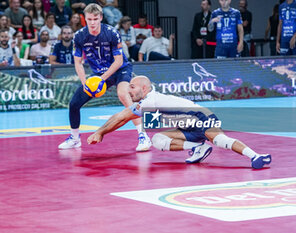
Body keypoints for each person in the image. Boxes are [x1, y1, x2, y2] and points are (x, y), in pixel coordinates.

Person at [87, 75, 272, 168]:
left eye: (132, 87)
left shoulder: (149, 101)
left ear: (144, 88)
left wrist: (101, 132)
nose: (129, 92)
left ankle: (255, 156)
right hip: (186, 126)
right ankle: (198, 148)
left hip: (201, 117)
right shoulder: (146, 101)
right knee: (158, 140)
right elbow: (121, 116)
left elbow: (122, 117)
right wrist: (101, 131)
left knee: (220, 140)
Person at [58, 3, 151, 151]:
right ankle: (75, 138)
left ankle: (143, 136)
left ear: (101, 17)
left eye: (95, 19)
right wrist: (85, 83)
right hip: (98, 74)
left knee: (123, 94)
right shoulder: (79, 36)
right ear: (85, 19)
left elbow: (119, 60)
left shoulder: (112, 33)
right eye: (89, 19)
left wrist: (101, 79)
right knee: (74, 103)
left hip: (120, 69)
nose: (93, 22)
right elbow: (78, 63)